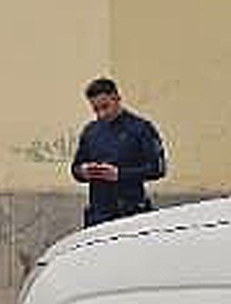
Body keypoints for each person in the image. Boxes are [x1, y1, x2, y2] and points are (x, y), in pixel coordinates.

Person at [71, 78, 167, 227]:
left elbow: (158, 169)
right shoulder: (90, 131)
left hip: (131, 212)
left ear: (117, 98)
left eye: (105, 107)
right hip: (99, 214)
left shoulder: (141, 128)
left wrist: (120, 174)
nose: (101, 114)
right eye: (96, 109)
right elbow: (75, 169)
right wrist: (84, 172)